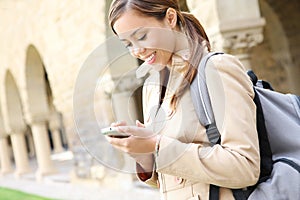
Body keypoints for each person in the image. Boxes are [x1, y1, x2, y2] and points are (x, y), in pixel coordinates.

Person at [105, 0, 260, 199]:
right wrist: (144, 155)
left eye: (142, 36)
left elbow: (245, 167)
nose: (137, 51)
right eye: (128, 44)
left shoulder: (216, 69)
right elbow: (175, 182)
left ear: (170, 18)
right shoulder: (152, 89)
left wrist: (157, 145)